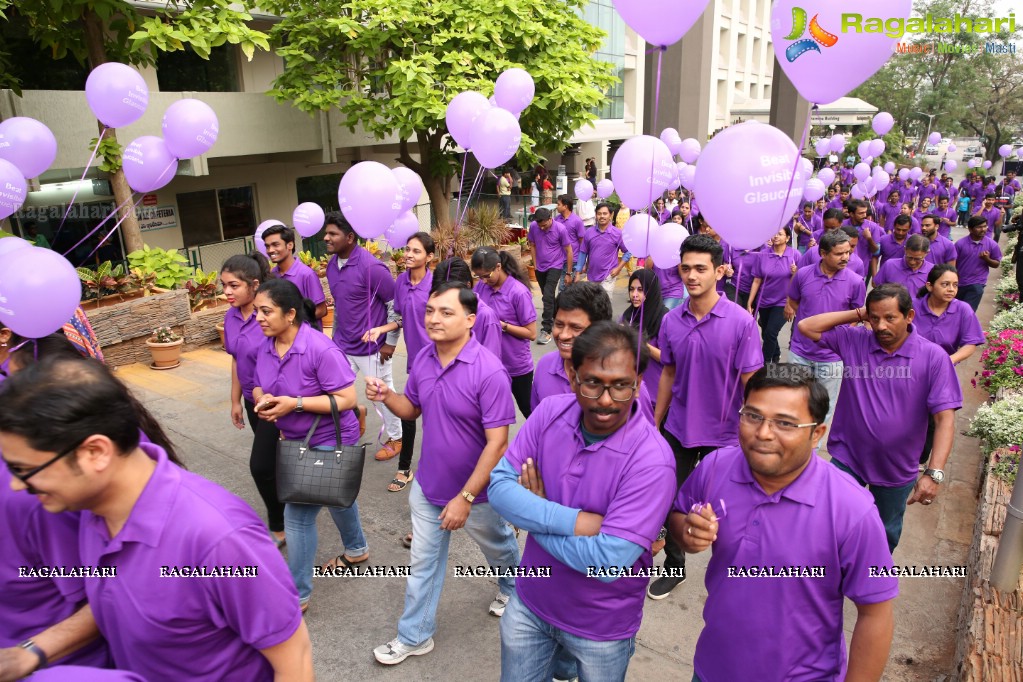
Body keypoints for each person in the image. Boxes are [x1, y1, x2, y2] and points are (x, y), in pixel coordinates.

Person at [0, 358, 313, 681]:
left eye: (24, 470)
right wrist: (33, 652)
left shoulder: (219, 539)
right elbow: (120, 595)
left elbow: (295, 662)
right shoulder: (95, 516)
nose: (15, 485)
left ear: (95, 452)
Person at [672, 365, 897, 681]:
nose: (763, 433)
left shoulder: (853, 510)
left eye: (785, 423)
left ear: (816, 433)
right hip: (712, 668)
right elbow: (680, 514)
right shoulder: (715, 467)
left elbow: (875, 613)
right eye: (753, 416)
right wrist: (687, 532)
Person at [489, 322, 676, 682]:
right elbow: (499, 487)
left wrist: (533, 517)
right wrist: (578, 522)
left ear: (638, 382)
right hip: (530, 604)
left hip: (601, 627)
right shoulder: (548, 415)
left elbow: (607, 564)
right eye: (593, 382)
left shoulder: (653, 460)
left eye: (621, 385)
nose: (607, 399)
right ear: (573, 376)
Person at [368, 283, 521, 665]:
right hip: (428, 487)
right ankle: (415, 635)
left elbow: (497, 443)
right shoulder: (422, 358)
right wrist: (387, 397)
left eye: (446, 312)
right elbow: (411, 410)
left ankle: (514, 587)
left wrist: (466, 498)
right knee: (423, 564)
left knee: (499, 547)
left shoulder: (490, 372)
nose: (434, 319)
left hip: (479, 494)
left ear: (470, 320)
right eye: (430, 311)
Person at [797, 284, 963, 553]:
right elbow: (807, 326)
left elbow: (945, 419)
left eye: (890, 318)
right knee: (829, 524)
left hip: (897, 468)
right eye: (875, 318)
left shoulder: (933, 358)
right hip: (848, 458)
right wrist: (860, 313)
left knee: (883, 534)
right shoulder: (856, 341)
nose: (881, 326)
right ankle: (827, 578)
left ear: (909, 316)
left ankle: (872, 583)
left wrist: (934, 473)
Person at [650, 234, 764, 600]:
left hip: (726, 436)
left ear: (719, 271)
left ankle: (733, 575)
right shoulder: (671, 321)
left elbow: (752, 382)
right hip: (679, 428)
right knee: (669, 503)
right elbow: (667, 372)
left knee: (729, 512)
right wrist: (655, 421)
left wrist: (755, 430)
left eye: (700, 268)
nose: (691, 276)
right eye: (686, 268)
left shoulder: (741, 322)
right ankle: (675, 565)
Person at [252, 278, 369, 612]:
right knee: (336, 494)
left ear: (290, 315)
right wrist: (264, 400)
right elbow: (257, 386)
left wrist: (295, 404)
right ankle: (357, 548)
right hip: (295, 439)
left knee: (298, 515)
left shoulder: (320, 348)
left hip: (331, 438)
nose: (258, 317)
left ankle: (297, 594)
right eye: (257, 311)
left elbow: (347, 399)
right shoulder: (266, 345)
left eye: (266, 311)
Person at [324, 212, 403, 460]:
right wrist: (334, 342)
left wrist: (389, 344)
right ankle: (356, 414)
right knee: (332, 393)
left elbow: (394, 306)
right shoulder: (331, 266)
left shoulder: (372, 267)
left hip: (373, 348)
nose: (326, 238)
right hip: (343, 346)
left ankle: (395, 437)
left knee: (382, 396)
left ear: (349, 237)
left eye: (332, 234)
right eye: (326, 233)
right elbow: (340, 307)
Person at [220, 252, 286, 548]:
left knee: (260, 466)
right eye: (224, 286)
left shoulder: (271, 315)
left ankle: (280, 525)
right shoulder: (230, 317)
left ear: (254, 284)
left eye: (233, 285)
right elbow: (236, 360)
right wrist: (235, 401)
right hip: (251, 401)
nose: (226, 292)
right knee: (273, 461)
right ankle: (292, 503)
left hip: (276, 402)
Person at [363, 232, 435, 493]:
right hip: (417, 361)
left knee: (437, 421)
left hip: (441, 363)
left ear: (429, 257)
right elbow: (402, 317)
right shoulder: (402, 281)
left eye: (416, 251)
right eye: (407, 249)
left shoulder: (436, 283)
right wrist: (382, 330)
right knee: (408, 413)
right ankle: (405, 469)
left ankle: (438, 474)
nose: (408, 254)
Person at [785, 229, 866, 424]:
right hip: (800, 353)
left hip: (832, 358)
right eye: (839, 253)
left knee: (824, 409)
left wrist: (837, 336)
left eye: (848, 252)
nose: (845, 257)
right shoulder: (803, 275)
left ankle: (811, 449)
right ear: (823, 253)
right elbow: (794, 301)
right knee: (794, 404)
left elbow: (857, 315)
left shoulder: (856, 282)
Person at [913, 265, 984, 467]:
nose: (951, 289)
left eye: (954, 285)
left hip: (942, 373)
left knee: (934, 417)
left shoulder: (962, 310)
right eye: (945, 284)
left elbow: (971, 343)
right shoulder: (913, 308)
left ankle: (920, 459)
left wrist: (949, 360)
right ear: (929, 286)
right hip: (910, 371)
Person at [471, 246, 538, 418]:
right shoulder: (480, 288)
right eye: (479, 277)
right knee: (492, 413)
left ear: (498, 267)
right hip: (489, 366)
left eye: (487, 275)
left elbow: (531, 333)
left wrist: (502, 325)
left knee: (528, 410)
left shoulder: (518, 292)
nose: (483, 281)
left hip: (516, 365)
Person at [747, 226, 798, 364]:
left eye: (780, 234)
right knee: (765, 331)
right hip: (764, 301)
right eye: (774, 234)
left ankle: (765, 364)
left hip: (783, 302)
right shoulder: (763, 254)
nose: (776, 236)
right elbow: (757, 280)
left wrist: (796, 273)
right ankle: (776, 355)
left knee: (770, 332)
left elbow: (801, 281)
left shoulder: (795, 255)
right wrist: (750, 303)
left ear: (787, 238)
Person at [434, 257, 502, 359]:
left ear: (468, 285)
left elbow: (491, 362)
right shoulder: (437, 312)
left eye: (452, 293)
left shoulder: (486, 317)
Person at [621, 269, 668, 420]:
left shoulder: (665, 318)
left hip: (656, 395)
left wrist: (640, 342)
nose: (635, 295)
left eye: (641, 290)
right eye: (631, 289)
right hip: (630, 392)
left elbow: (667, 358)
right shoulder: (627, 316)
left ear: (651, 291)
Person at [262, 224, 327, 328]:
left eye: (275, 245)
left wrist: (294, 322)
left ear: (290, 245)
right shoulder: (272, 275)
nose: (270, 250)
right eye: (267, 246)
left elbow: (322, 310)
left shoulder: (306, 274)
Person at [527, 207, 573, 346]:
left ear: (550, 218)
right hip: (539, 267)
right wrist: (535, 265)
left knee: (547, 296)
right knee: (548, 297)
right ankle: (558, 317)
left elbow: (569, 250)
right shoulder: (534, 227)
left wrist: (569, 273)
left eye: (544, 225)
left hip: (555, 265)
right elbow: (532, 245)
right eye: (539, 225)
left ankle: (546, 330)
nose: (541, 228)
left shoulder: (560, 229)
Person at [576, 202, 631, 297]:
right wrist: (577, 273)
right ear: (596, 215)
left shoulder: (617, 233)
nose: (602, 216)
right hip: (591, 276)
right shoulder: (589, 232)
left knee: (605, 306)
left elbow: (628, 252)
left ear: (610, 215)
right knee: (592, 306)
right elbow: (583, 252)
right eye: (599, 213)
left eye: (605, 214)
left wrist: (618, 268)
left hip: (608, 276)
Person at [954, 215, 1003, 311]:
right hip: (959, 283)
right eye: (979, 227)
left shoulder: (992, 244)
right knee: (955, 310)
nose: (983, 229)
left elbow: (996, 264)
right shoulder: (960, 244)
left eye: (985, 226)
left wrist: (987, 259)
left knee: (968, 311)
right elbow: (953, 263)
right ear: (970, 229)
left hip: (977, 284)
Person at [646, 210, 687, 309]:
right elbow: (647, 269)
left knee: (664, 316)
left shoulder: (679, 251)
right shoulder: (656, 248)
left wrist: (678, 259)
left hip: (674, 291)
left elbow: (683, 275)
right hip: (657, 290)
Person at [843, 200, 883, 285]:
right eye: (860, 213)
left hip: (863, 269)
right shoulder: (842, 225)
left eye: (865, 212)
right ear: (851, 214)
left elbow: (876, 252)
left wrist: (869, 238)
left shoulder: (873, 227)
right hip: (843, 267)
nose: (864, 215)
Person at [555, 195, 586, 292]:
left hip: (573, 260)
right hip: (559, 260)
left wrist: (583, 262)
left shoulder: (577, 221)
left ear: (565, 206)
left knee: (563, 289)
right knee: (568, 290)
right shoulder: (556, 219)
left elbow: (583, 242)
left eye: (559, 204)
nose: (557, 206)